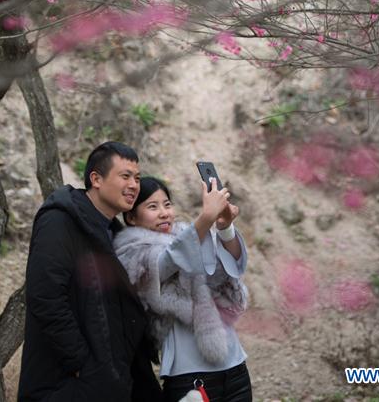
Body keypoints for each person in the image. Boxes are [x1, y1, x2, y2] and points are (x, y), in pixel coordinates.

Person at [17, 141, 162, 402]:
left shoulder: (114, 234)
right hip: (71, 384)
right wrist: (83, 364)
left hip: (109, 382)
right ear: (96, 178)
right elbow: (45, 296)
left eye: (137, 178)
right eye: (125, 176)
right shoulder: (60, 221)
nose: (134, 185)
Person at [114, 174, 252, 402]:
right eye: (152, 206)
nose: (164, 212)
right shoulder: (131, 253)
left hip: (236, 368)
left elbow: (228, 272)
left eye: (167, 204)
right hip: (191, 378)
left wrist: (225, 228)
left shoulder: (191, 237)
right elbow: (167, 262)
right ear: (132, 218)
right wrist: (206, 218)